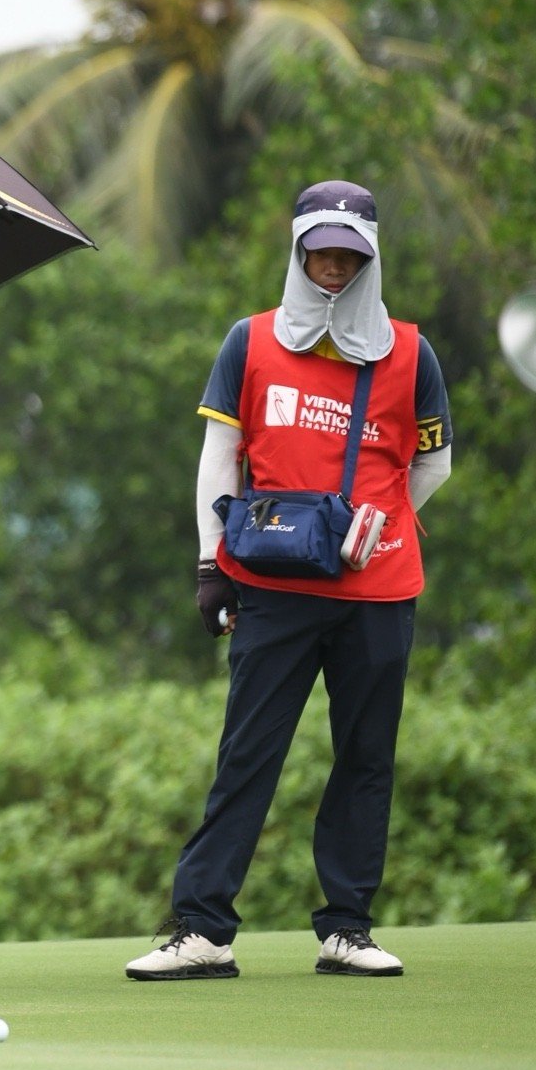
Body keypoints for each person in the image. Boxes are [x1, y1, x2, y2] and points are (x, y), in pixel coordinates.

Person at [126, 181, 453, 981]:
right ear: (299, 254)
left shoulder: (411, 353)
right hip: (271, 586)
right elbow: (219, 457)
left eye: (349, 256)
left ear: (369, 258)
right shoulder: (251, 341)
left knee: (366, 757)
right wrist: (210, 562)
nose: (334, 269)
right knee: (248, 753)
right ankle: (203, 930)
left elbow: (435, 461)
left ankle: (348, 928)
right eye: (321, 254)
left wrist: (375, 526)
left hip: (379, 593)